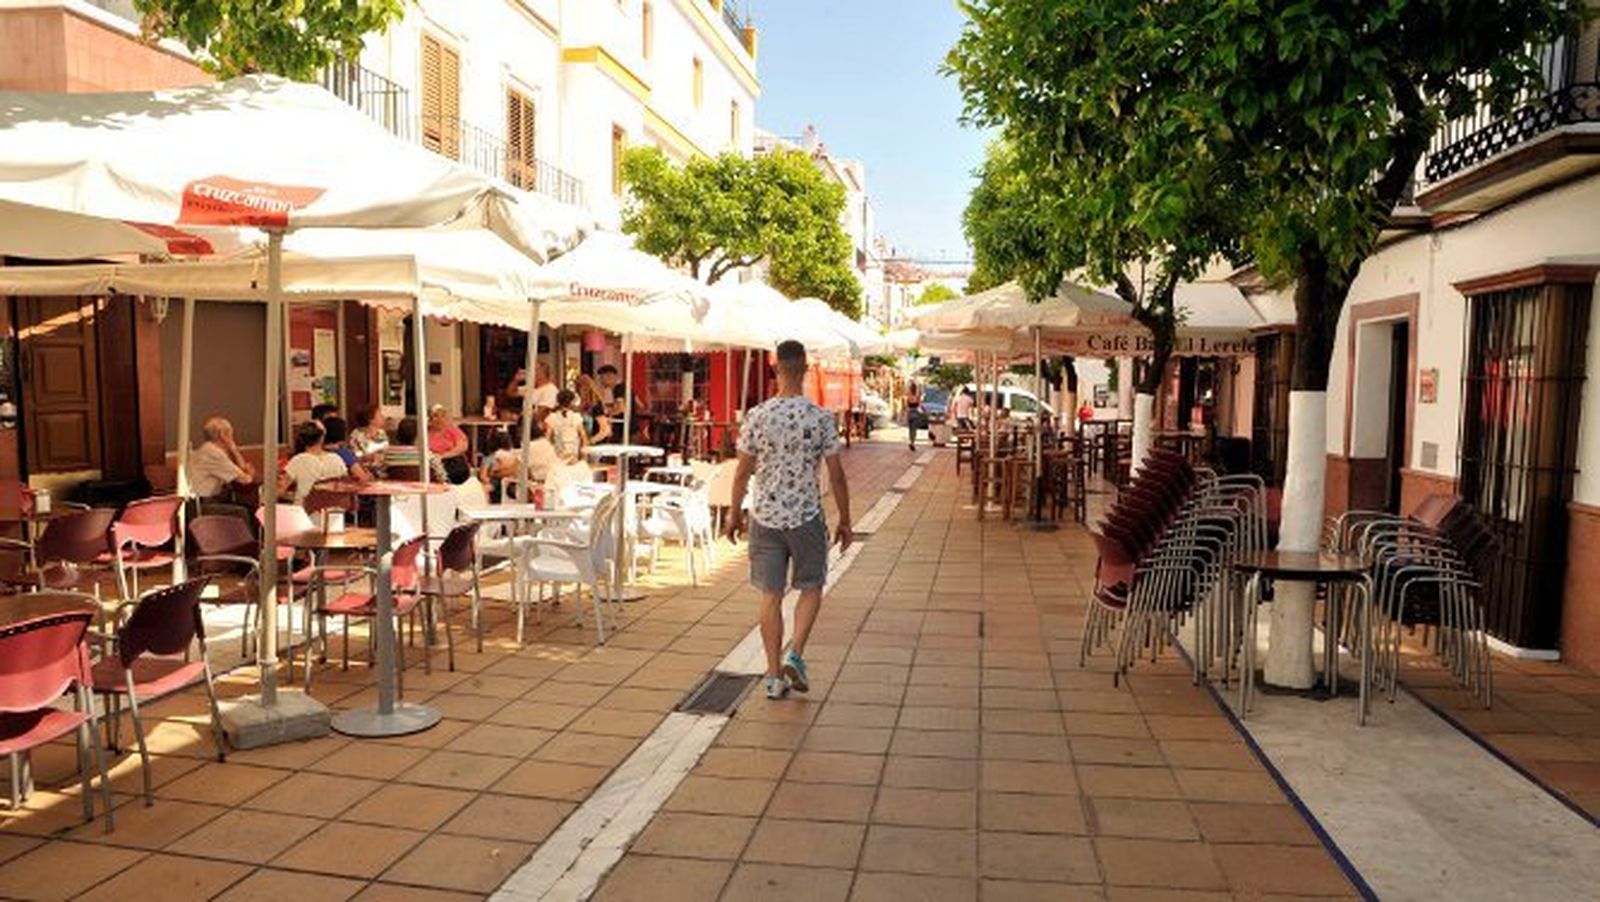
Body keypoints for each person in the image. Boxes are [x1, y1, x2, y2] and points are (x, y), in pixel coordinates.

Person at [727, 339, 853, 701]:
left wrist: (735, 513)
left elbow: (741, 473)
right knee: (811, 586)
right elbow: (837, 474)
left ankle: (771, 675)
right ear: (806, 370)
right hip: (806, 516)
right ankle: (795, 654)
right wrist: (845, 520)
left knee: (770, 595)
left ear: (776, 369)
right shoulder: (820, 417)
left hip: (765, 517)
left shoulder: (757, 415)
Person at [282, 420, 349, 505]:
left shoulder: (297, 461)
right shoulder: (337, 459)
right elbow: (346, 486)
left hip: (305, 514)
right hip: (335, 514)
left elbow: (280, 489)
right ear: (322, 438)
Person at [188, 416, 256, 501]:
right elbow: (245, 480)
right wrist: (234, 450)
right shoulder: (214, 454)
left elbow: (240, 472)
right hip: (201, 503)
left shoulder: (208, 449)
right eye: (231, 433)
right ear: (223, 435)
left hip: (201, 500)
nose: (232, 437)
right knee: (243, 511)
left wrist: (233, 450)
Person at [385, 416, 448, 483]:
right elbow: (442, 477)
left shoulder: (388, 453)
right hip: (423, 491)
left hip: (396, 490)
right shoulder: (427, 455)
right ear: (419, 436)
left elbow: (381, 473)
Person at [427, 405, 472, 484]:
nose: (439, 419)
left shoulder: (452, 430)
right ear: (430, 419)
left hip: (452, 463)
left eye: (442, 416)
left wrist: (443, 456)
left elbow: (462, 447)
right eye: (435, 416)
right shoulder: (426, 432)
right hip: (432, 464)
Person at [546, 389, 588, 462]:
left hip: (558, 454)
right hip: (573, 454)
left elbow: (547, 438)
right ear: (572, 402)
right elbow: (583, 438)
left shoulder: (552, 417)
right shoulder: (576, 417)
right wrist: (584, 457)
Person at [575, 373, 614, 444]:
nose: (578, 393)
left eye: (579, 389)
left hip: (597, 447)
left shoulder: (596, 407)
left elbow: (605, 430)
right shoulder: (585, 406)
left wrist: (590, 441)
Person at [904, 380, 925, 450]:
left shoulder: (908, 396)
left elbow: (906, 407)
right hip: (915, 413)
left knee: (910, 429)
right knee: (914, 429)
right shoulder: (917, 396)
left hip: (910, 413)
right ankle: (912, 442)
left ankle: (910, 441)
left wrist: (906, 415)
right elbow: (920, 405)